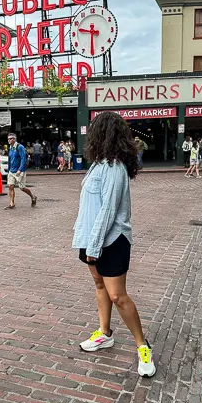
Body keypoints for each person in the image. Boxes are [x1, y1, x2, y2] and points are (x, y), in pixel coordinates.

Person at [72, 111, 156, 378]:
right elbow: (89, 208)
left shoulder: (113, 167)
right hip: (92, 238)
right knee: (100, 286)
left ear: (102, 134)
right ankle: (104, 332)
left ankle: (143, 346)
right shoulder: (99, 164)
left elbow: (108, 210)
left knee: (118, 296)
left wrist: (94, 248)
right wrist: (83, 239)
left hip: (111, 240)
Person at [5, 133, 37, 210]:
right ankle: (12, 203)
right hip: (12, 170)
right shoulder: (10, 147)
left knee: (22, 188)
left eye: (11, 138)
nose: (9, 140)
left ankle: (32, 196)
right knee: (10, 186)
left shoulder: (20, 147)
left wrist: (20, 169)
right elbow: (9, 159)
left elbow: (23, 159)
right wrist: (9, 169)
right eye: (8, 139)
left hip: (19, 170)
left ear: (14, 139)